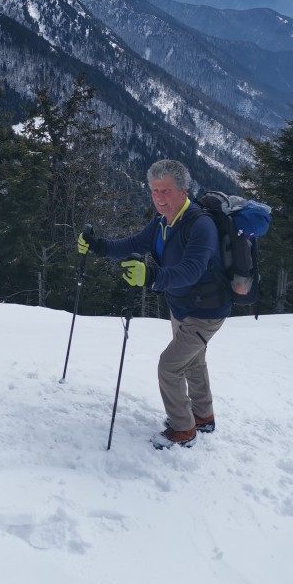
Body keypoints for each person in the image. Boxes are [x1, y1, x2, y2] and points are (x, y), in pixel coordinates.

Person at [78, 159, 231, 449]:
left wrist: (151, 276)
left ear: (184, 192)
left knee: (170, 366)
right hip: (182, 306)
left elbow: (191, 271)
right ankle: (203, 416)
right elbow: (133, 243)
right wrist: (99, 246)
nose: (159, 197)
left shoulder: (201, 226)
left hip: (206, 311)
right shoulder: (162, 222)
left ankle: (183, 430)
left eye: (166, 191)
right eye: (154, 191)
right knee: (193, 361)